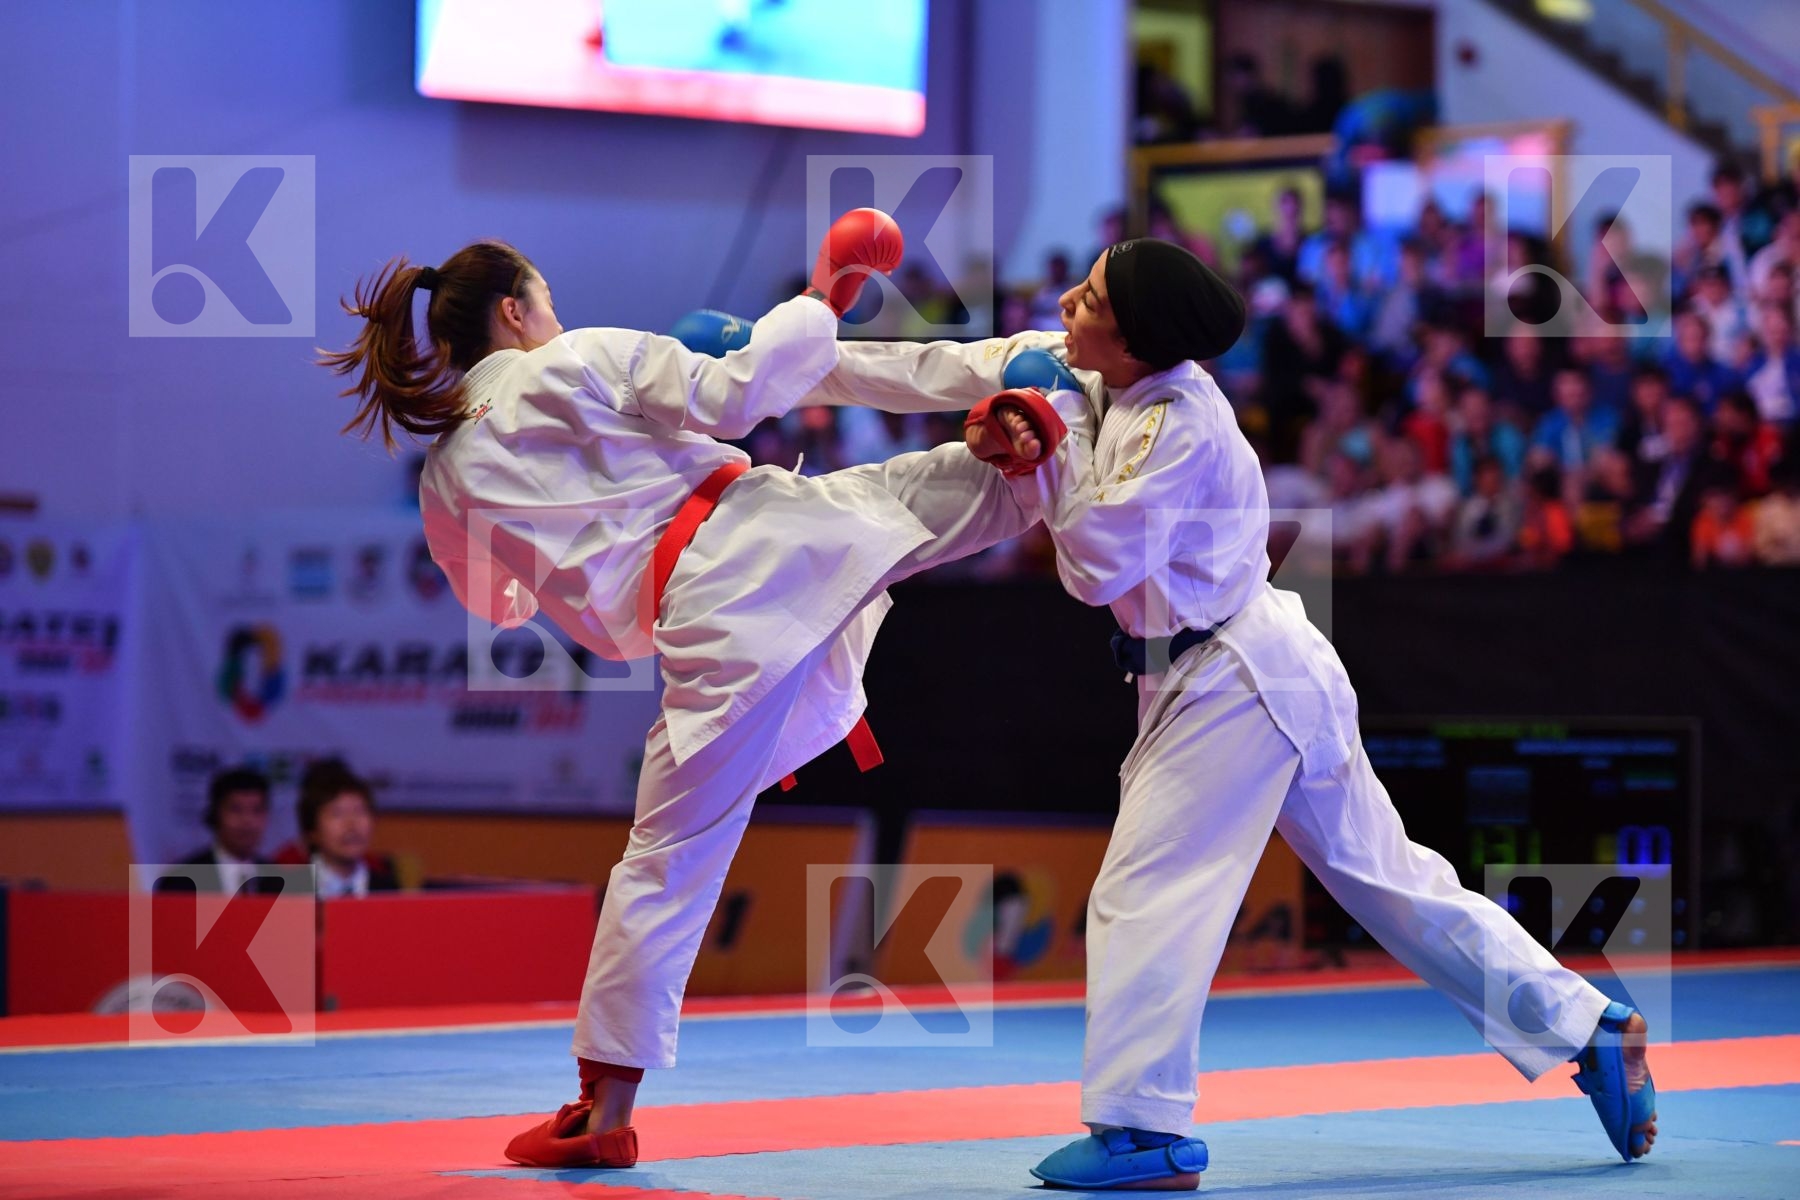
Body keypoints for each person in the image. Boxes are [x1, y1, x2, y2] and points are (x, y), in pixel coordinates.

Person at [831, 239, 1659, 1189]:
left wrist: (1042, 455)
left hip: (1234, 675)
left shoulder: (1181, 422)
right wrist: (801, 354)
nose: (1066, 299)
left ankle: (1143, 1133)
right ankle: (1587, 1027)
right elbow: (942, 364)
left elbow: (1097, 564)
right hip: (1254, 660)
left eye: (1090, 296)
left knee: (1149, 889)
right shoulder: (1080, 363)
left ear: (1136, 337)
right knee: (1392, 884)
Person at [320, 210, 1062, 1172]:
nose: (556, 312)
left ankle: (604, 1109)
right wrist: (816, 295)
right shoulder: (579, 356)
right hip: (766, 539)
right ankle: (1061, 430)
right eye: (545, 298)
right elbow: (738, 390)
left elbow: (496, 607)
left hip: (702, 633)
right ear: (515, 309)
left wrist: (569, 536)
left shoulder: (445, 478)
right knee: (943, 494)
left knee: (665, 860)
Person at [277, 759, 400, 898]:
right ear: (312, 831)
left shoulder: (389, 889)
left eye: (359, 811)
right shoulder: (288, 889)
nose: (352, 824)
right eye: (337, 813)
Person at [170, 767, 277, 895]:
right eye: (236, 810)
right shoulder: (181, 880)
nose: (247, 820)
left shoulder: (278, 880)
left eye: (257, 810)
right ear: (215, 814)